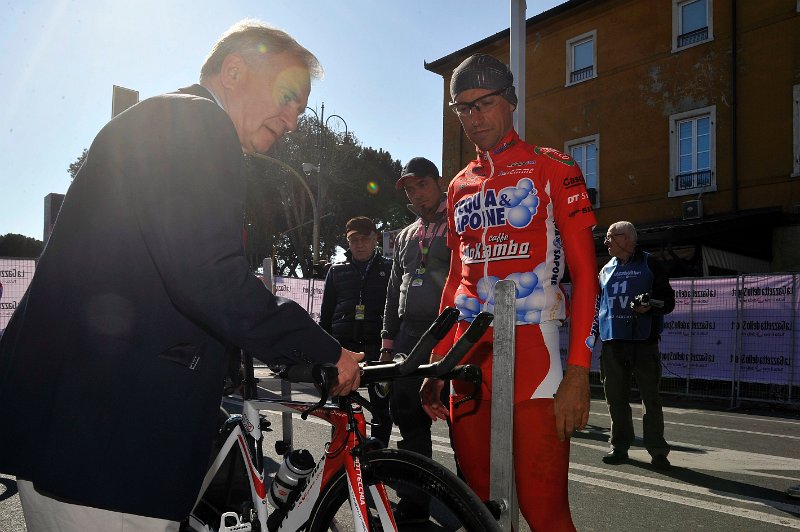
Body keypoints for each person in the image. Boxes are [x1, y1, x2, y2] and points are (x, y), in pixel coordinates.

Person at [0, 20, 364, 531]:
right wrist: (325, 350)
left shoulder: (167, 120)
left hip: (85, 431)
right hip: (107, 443)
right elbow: (209, 276)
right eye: (288, 96)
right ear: (233, 70)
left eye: (302, 108)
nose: (294, 120)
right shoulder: (196, 125)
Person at [420, 54, 599, 531]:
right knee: (477, 509)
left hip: (535, 358)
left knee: (545, 513)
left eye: (485, 104)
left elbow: (586, 274)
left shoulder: (553, 168)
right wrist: (438, 363)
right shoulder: (458, 186)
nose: (473, 119)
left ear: (511, 102)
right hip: (468, 361)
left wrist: (579, 374)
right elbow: (458, 278)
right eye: (463, 108)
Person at [381, 157, 451, 524]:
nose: (415, 192)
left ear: (438, 183)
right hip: (409, 335)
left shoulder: (459, 221)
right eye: (409, 188)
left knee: (461, 419)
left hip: (449, 332)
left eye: (421, 184)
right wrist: (387, 341)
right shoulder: (406, 234)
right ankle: (414, 501)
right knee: (407, 417)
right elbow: (394, 290)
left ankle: (475, 500)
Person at [597, 221, 675, 470]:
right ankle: (619, 446)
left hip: (644, 342)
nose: (606, 242)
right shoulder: (605, 269)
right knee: (615, 398)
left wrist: (651, 304)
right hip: (612, 342)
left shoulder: (651, 263)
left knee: (650, 398)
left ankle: (658, 450)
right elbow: (598, 305)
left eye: (611, 237)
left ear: (628, 238)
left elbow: (669, 301)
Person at [320, 216, 393, 447]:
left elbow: (395, 311)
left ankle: (378, 451)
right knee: (341, 405)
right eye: (354, 239)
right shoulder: (336, 270)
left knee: (381, 405)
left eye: (364, 238)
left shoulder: (390, 268)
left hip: (377, 347)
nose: (359, 244)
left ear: (375, 239)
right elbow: (326, 312)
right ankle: (341, 451)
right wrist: (325, 349)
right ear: (347, 242)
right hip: (343, 347)